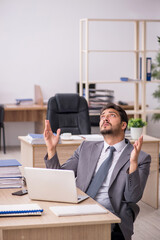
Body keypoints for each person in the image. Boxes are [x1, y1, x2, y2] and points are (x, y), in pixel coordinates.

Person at [44, 103, 151, 240]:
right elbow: (59, 179)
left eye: (112, 115)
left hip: (112, 217)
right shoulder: (86, 147)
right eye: (102, 116)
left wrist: (133, 163)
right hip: (78, 209)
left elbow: (132, 197)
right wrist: (51, 149)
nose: (105, 119)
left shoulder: (141, 158)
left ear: (124, 125)